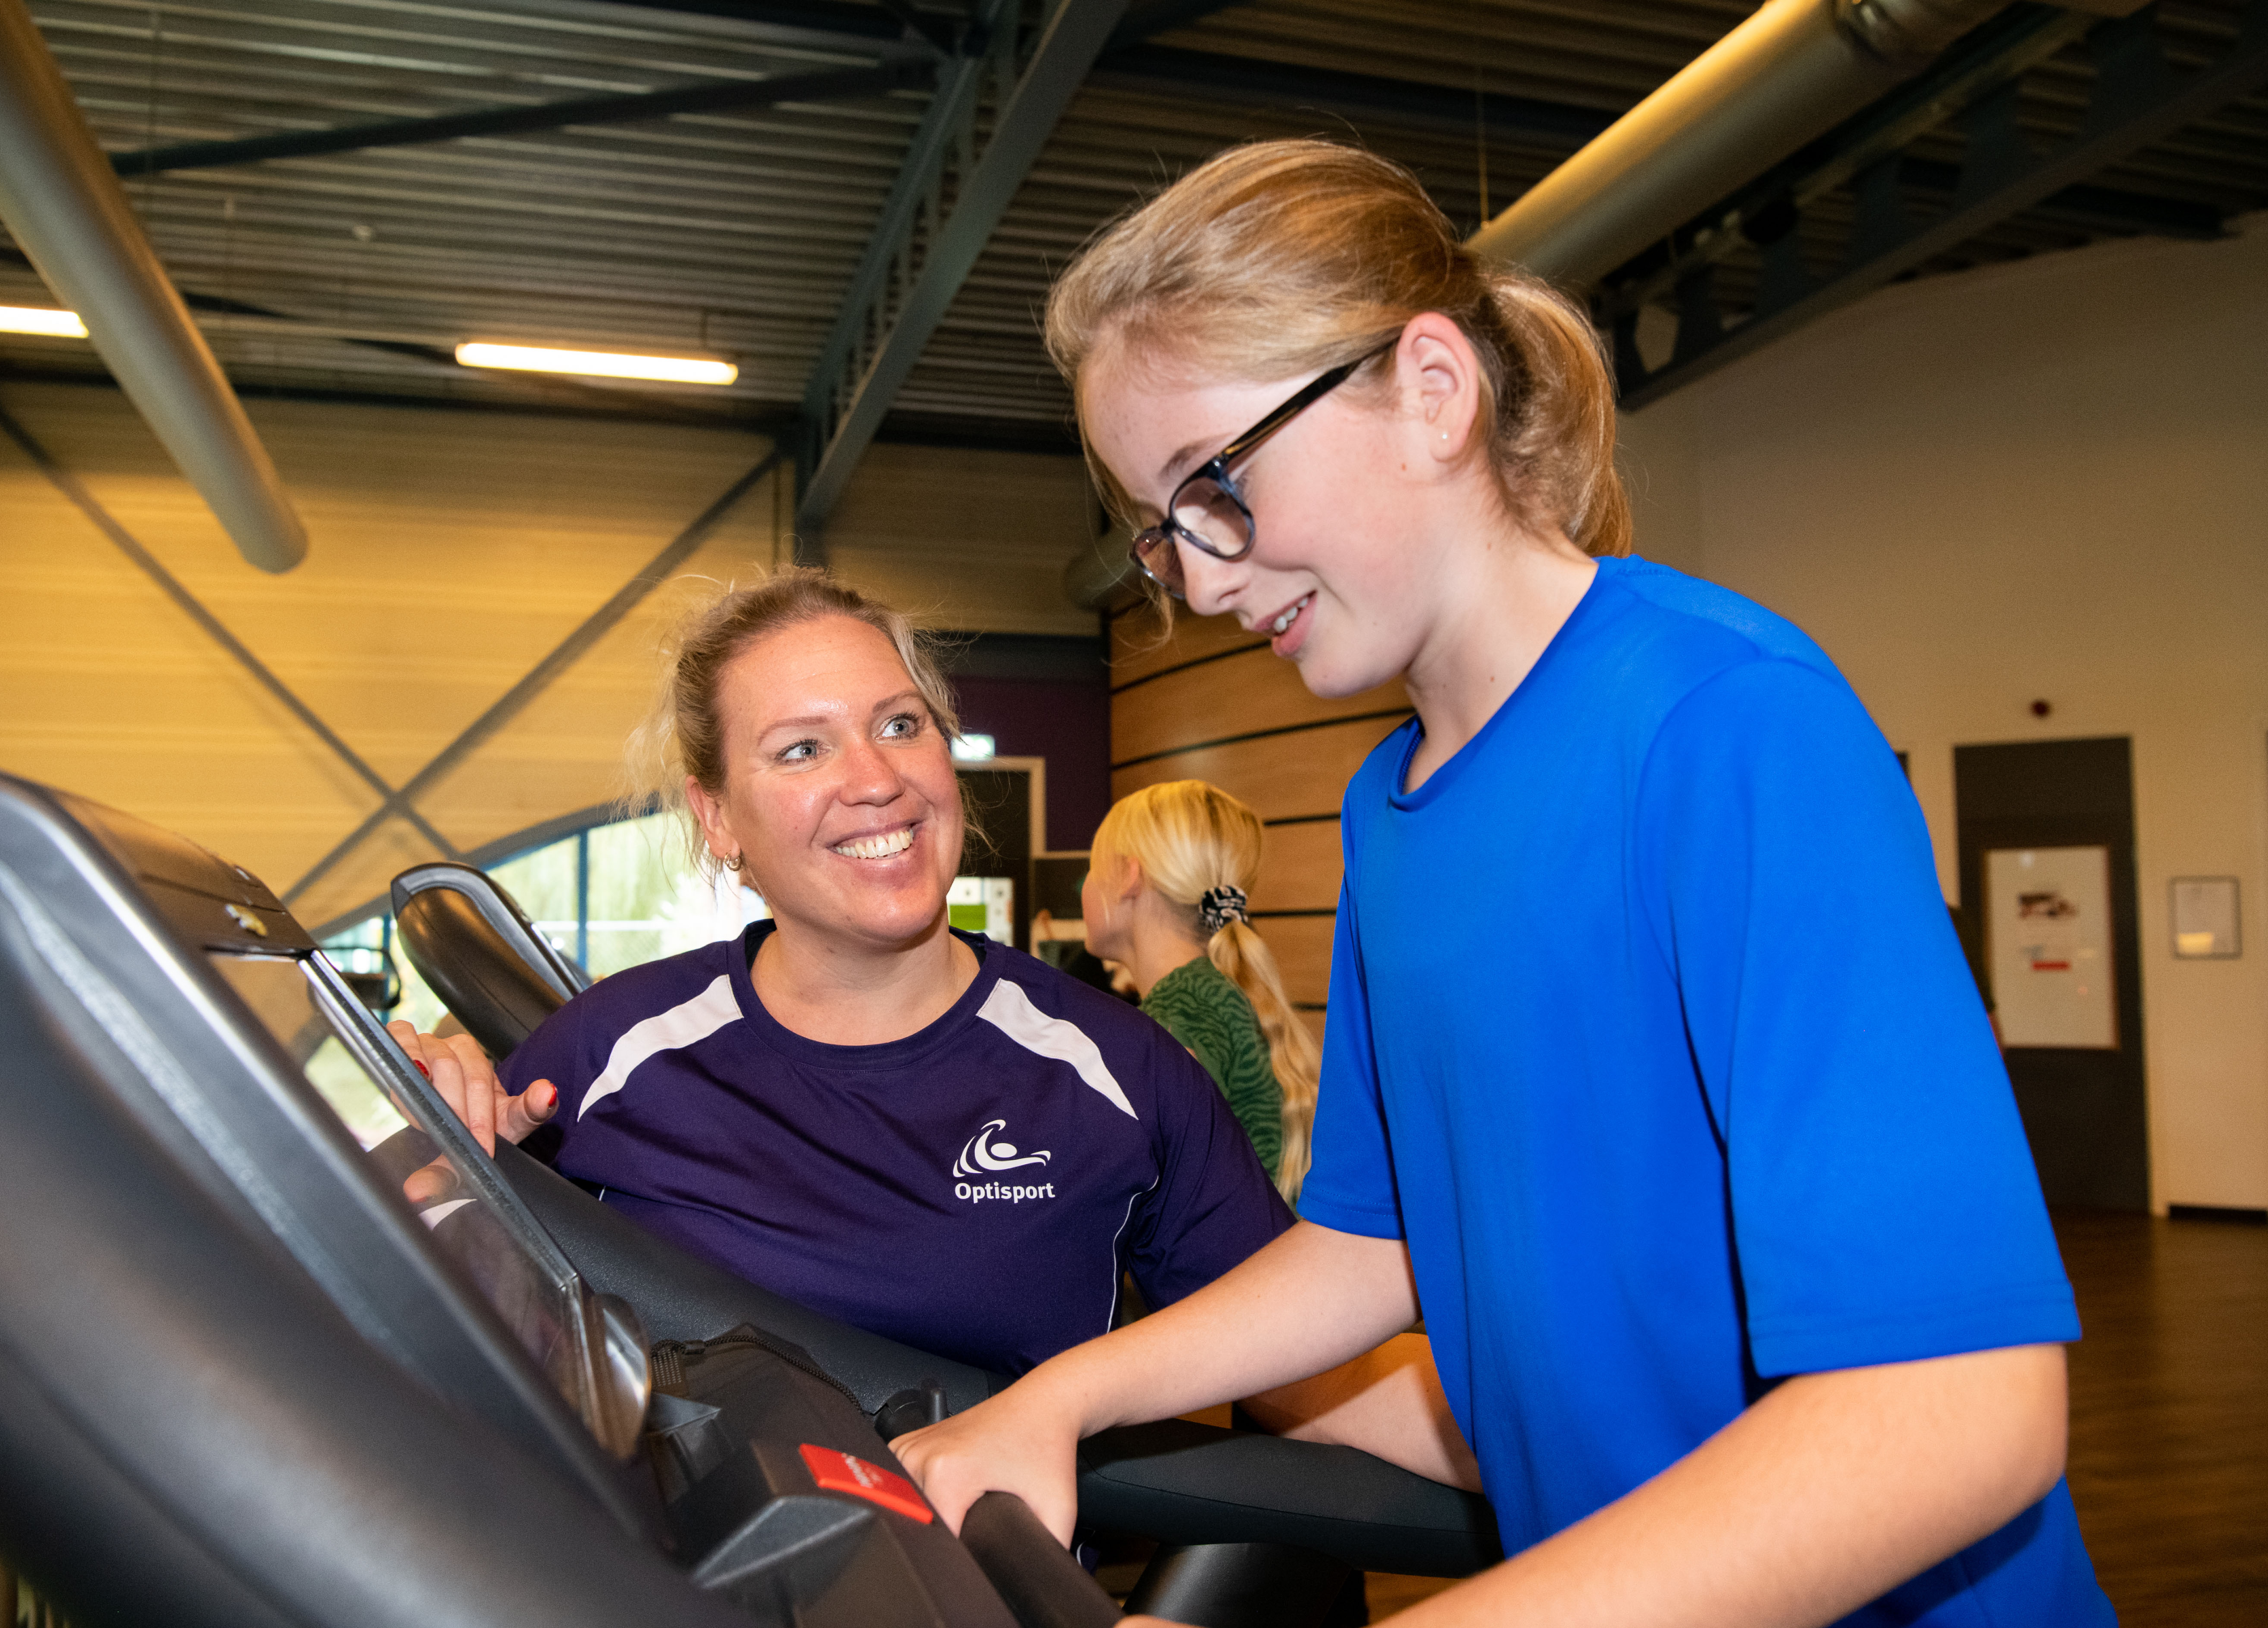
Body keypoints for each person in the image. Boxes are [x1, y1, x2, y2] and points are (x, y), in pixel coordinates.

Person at [892, 140, 2113, 1628]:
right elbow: (1370, 1244)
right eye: (1163, 532)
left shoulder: (1722, 726)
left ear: (1428, 392)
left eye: (1214, 488)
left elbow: (1956, 1413)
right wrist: (1064, 1395)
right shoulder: (1388, 807)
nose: (1200, 583)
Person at [390, 570, 1294, 1376]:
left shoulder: (1118, 1068)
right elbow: (425, 1318)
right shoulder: (612, 1050)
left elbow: (1300, 1367)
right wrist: (448, 1141)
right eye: (801, 749)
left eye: (900, 726)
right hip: (673, 1563)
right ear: (718, 819)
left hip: (992, 1566)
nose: (874, 780)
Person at [1082, 780, 1319, 1199]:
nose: (1084, 886)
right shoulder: (1215, 994)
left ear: (1127, 876)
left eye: (1091, 867)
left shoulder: (1177, 1021)